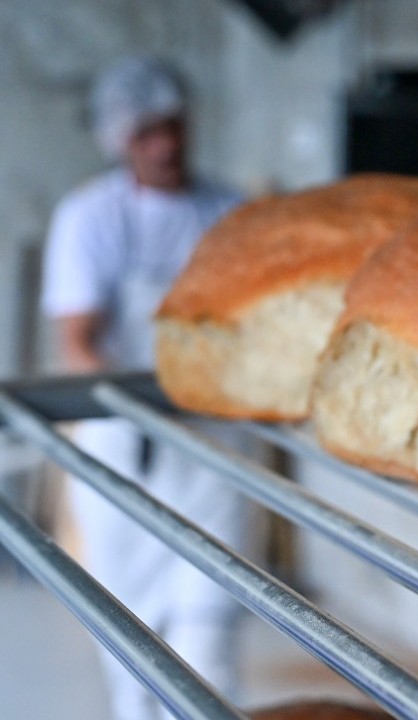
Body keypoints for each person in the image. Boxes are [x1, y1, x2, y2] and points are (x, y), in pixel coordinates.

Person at [41, 56, 259, 720]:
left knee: (210, 623)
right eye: (146, 134)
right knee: (130, 631)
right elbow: (76, 339)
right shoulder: (91, 217)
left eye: (172, 127)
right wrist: (135, 396)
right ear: (119, 140)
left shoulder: (231, 213)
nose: (164, 145)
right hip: (123, 440)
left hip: (213, 441)